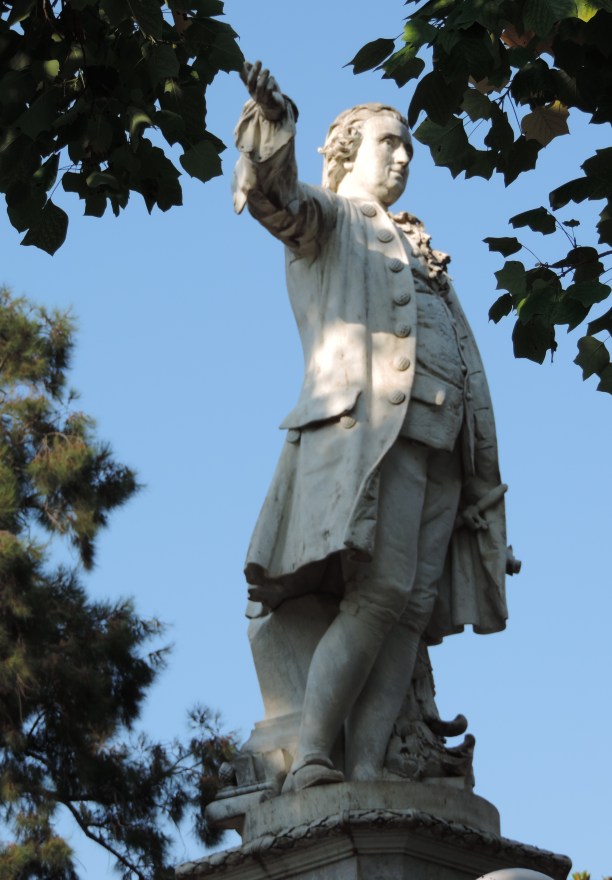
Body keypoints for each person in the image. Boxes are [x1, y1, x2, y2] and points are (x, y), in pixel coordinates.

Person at [234, 62, 509, 793]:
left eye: (409, 146)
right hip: (373, 436)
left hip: (442, 443)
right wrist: (271, 127)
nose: (404, 157)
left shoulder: (419, 242)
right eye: (390, 142)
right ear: (347, 150)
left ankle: (368, 767)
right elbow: (277, 201)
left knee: (411, 611)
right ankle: (317, 755)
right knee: (381, 595)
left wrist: (485, 487)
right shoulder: (332, 219)